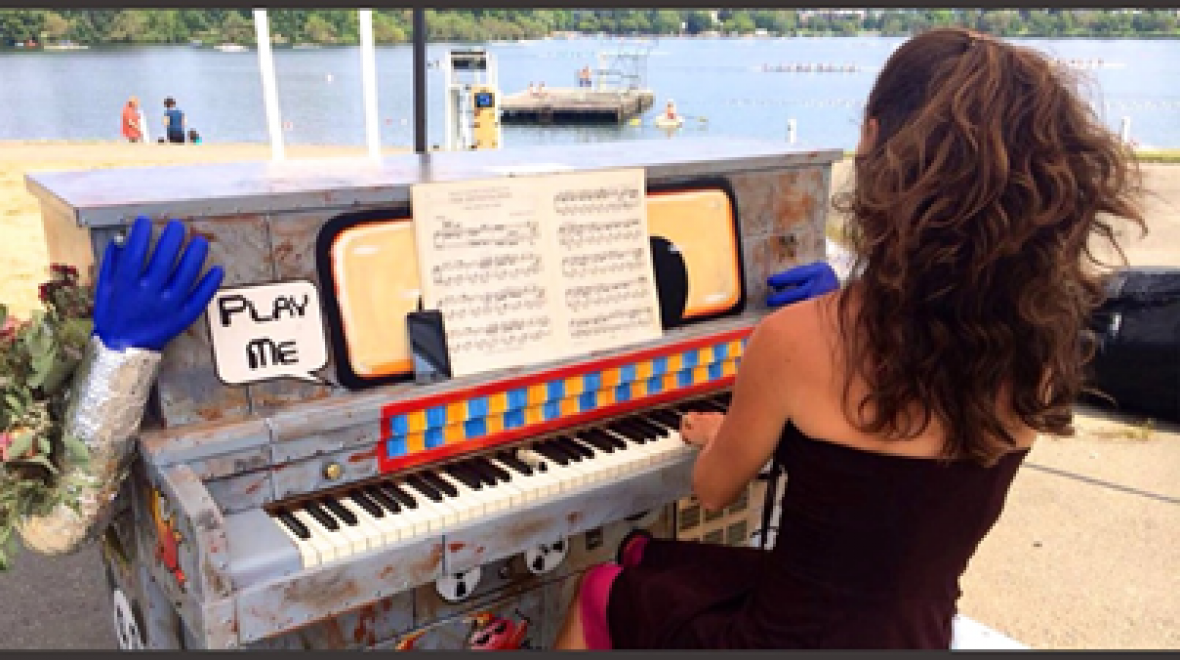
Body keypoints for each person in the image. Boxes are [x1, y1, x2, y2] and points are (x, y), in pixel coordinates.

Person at [555, 27, 1146, 650]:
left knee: (605, 586)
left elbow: (712, 490)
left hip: (783, 639)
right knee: (656, 562)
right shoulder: (1041, 352)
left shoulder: (796, 337)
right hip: (911, 635)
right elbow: (896, 494)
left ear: (872, 140)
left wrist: (728, 436)